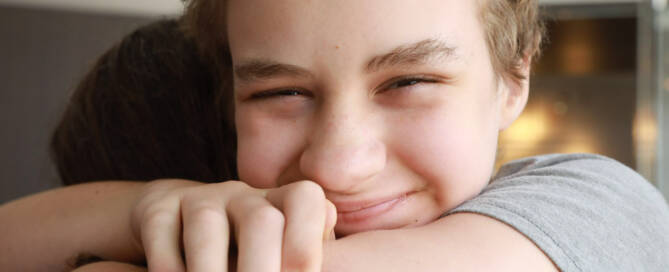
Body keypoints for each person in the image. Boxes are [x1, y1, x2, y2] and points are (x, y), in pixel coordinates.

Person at [1, 1, 669, 272]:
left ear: (511, 82)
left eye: (407, 82)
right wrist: (147, 203)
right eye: (279, 93)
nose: (339, 165)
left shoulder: (592, 200)